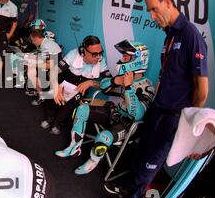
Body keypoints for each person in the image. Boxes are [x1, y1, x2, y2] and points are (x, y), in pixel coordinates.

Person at [98, 0, 209, 198]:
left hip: (173, 117)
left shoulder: (190, 36)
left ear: (167, 2)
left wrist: (188, 126)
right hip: (158, 109)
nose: (151, 15)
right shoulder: (170, 35)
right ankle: (127, 188)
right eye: (148, 10)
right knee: (139, 153)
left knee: (150, 164)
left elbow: (202, 90)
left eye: (154, 8)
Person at [55, 40, 155, 175]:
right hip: (116, 112)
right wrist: (115, 81)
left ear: (138, 60)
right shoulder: (123, 76)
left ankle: (92, 162)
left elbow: (137, 115)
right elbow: (103, 86)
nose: (122, 59)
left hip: (129, 125)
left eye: (126, 57)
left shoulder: (147, 85)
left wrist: (128, 87)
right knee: (82, 109)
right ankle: (74, 146)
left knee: (103, 137)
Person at [41, 35, 110, 135]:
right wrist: (56, 87)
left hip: (79, 88)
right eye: (95, 54)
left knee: (71, 101)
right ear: (84, 51)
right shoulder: (74, 54)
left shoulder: (101, 61)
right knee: (52, 92)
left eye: (100, 53)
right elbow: (51, 72)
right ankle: (50, 117)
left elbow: (108, 85)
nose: (98, 57)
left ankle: (58, 123)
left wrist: (90, 82)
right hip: (64, 81)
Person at [24, 19, 62, 106]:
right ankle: (39, 91)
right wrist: (29, 58)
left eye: (33, 40)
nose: (32, 42)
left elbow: (50, 65)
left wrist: (32, 63)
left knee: (31, 72)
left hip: (55, 69)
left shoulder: (46, 45)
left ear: (35, 37)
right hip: (52, 65)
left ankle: (42, 95)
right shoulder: (43, 42)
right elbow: (43, 57)